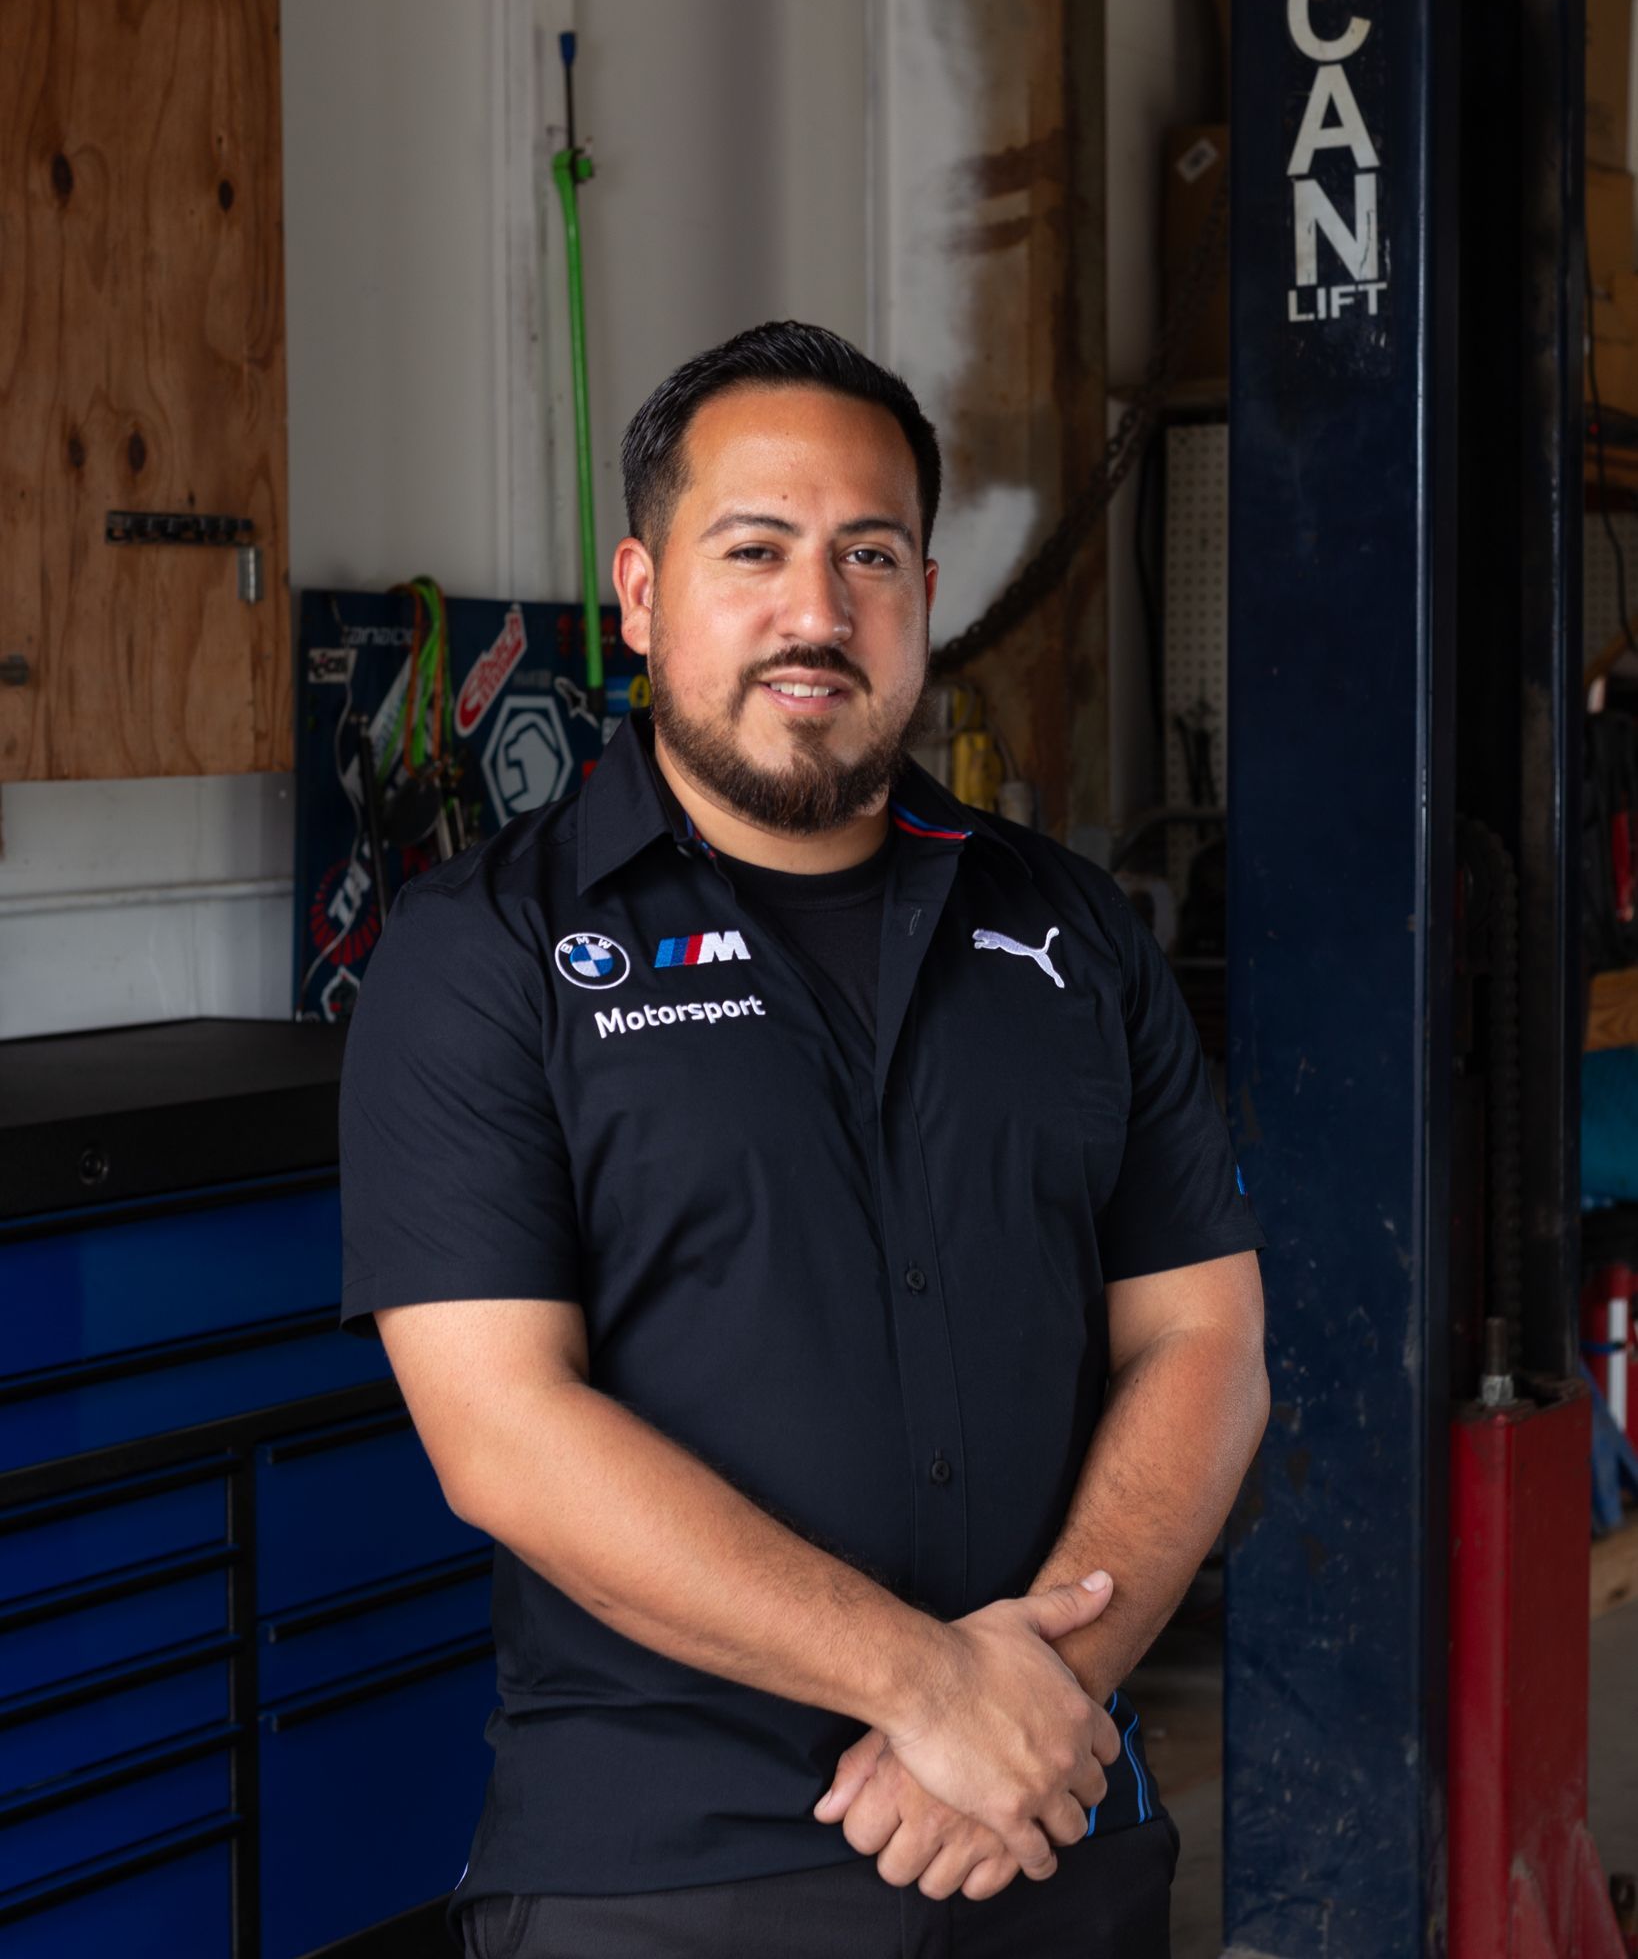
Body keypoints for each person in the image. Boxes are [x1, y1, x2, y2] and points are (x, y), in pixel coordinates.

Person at [339, 320, 1270, 1959]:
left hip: (1056, 1825)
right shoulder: (486, 955)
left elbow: (1202, 1336)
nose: (816, 613)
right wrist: (928, 1689)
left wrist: (1039, 1700)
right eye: (753, 550)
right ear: (638, 592)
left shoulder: (1065, 929)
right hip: (672, 1877)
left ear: (922, 590)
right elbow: (501, 1430)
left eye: (870, 556)